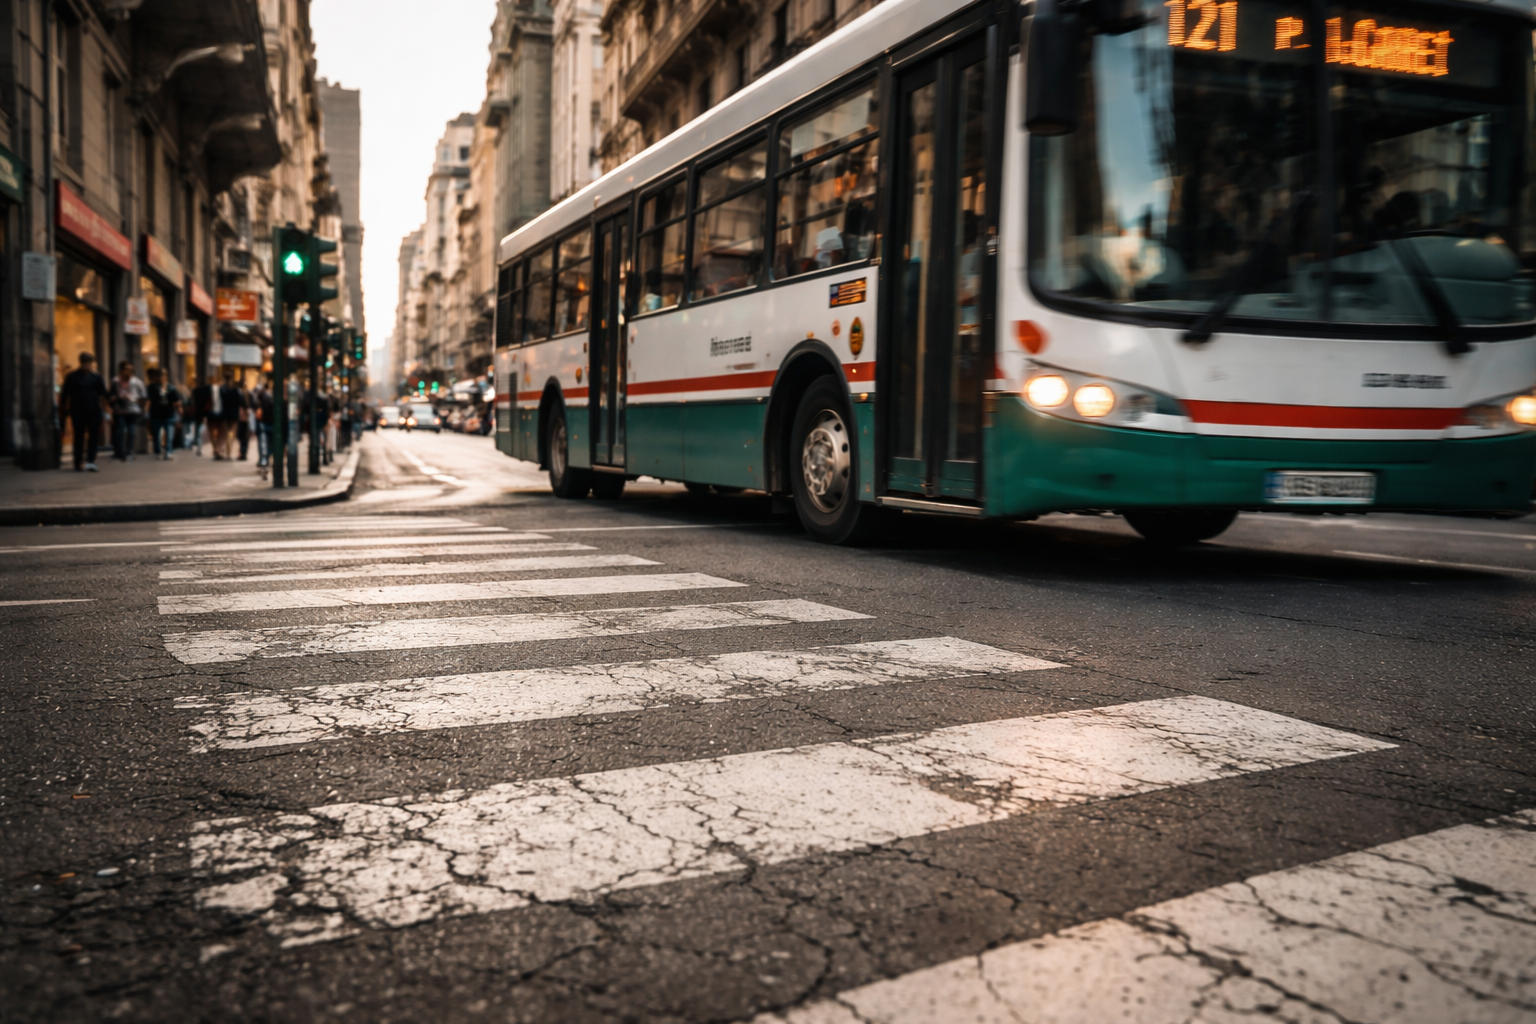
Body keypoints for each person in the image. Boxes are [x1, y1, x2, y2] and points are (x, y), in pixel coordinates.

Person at [58, 353, 109, 471]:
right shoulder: (72, 377)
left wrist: (105, 407)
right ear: (81, 363)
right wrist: (64, 407)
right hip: (78, 410)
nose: (88, 365)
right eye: (85, 363)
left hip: (94, 410)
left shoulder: (96, 377)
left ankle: (90, 461)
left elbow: (103, 393)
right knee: (79, 436)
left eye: (89, 363)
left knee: (93, 436)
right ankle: (78, 461)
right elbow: (65, 393)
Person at [111, 361, 146, 461]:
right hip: (119, 410)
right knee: (119, 431)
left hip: (132, 410)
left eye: (130, 370)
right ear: (121, 370)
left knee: (131, 431)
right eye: (126, 369)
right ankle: (120, 452)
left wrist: (138, 403)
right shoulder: (115, 381)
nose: (128, 372)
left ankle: (129, 451)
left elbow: (143, 396)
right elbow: (111, 394)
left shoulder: (137, 382)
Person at [144, 367, 182, 460]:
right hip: (156, 415)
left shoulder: (171, 387)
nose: (162, 377)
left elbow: (177, 400)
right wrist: (146, 412)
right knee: (156, 436)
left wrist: (179, 408)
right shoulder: (152, 387)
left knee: (169, 436)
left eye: (163, 375)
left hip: (169, 415)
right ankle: (158, 452)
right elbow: (149, 400)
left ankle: (168, 452)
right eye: (160, 375)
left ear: (166, 376)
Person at [213, 370, 244, 460]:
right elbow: (241, 401)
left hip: (225, 412)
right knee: (232, 433)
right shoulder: (236, 389)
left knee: (225, 433)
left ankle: (221, 451)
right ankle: (229, 452)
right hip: (234, 413)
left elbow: (219, 400)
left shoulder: (222, 388)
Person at [236, 378, 253, 460]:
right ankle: (243, 453)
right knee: (245, 437)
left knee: (242, 436)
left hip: (242, 417)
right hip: (246, 417)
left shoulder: (240, 393)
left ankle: (242, 453)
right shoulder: (248, 393)